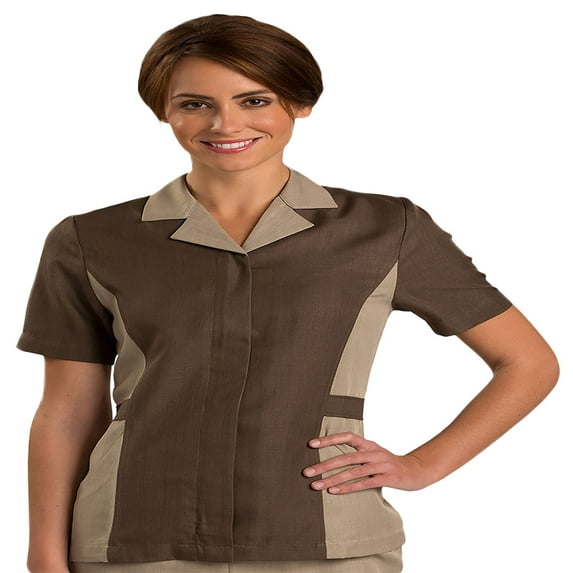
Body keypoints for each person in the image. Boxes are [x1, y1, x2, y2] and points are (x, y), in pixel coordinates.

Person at [18, 13, 559, 573]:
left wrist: (422, 466)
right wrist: (45, 556)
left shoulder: (384, 230)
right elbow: (67, 412)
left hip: (328, 542)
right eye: (194, 103)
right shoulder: (91, 240)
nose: (225, 123)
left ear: (299, 103)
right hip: (134, 540)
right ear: (163, 110)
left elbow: (528, 363)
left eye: (254, 101)